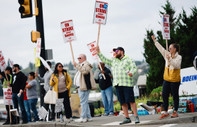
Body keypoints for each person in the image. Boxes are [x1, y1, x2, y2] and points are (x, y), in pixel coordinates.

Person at [96, 46, 140, 124]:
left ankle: (136, 117)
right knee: (122, 102)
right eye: (115, 52)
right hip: (117, 84)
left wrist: (131, 73)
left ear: (121, 51)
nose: (115, 53)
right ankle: (127, 117)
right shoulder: (113, 60)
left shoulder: (128, 59)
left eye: (117, 51)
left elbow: (134, 68)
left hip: (127, 84)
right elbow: (105, 59)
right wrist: (99, 53)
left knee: (131, 101)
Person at [151, 35, 182, 119]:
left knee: (175, 95)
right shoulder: (167, 54)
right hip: (166, 78)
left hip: (175, 79)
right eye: (169, 48)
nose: (169, 49)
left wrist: (170, 59)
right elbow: (161, 48)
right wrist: (155, 41)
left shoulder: (179, 57)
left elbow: (176, 65)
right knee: (164, 95)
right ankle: (165, 111)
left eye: (170, 48)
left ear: (175, 49)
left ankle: (175, 111)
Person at [73, 54, 97, 123]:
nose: (78, 59)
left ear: (84, 58)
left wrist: (77, 66)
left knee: (83, 102)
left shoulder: (86, 64)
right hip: (81, 86)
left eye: (79, 58)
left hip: (84, 86)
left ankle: (83, 117)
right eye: (78, 58)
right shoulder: (82, 65)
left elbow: (85, 71)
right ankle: (88, 116)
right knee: (84, 102)